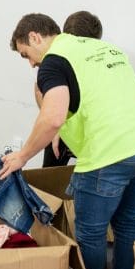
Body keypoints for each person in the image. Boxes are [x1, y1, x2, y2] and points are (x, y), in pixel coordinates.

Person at [0, 13, 135, 269]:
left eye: (26, 54)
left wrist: (22, 156)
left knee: (90, 232)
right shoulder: (105, 49)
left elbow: (52, 117)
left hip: (111, 153)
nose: (31, 64)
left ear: (34, 37)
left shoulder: (54, 61)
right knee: (127, 223)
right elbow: (98, 100)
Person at [42, 10, 104, 167]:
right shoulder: (56, 60)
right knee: (50, 168)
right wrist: (57, 126)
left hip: (95, 132)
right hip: (66, 128)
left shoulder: (102, 61)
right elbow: (39, 90)